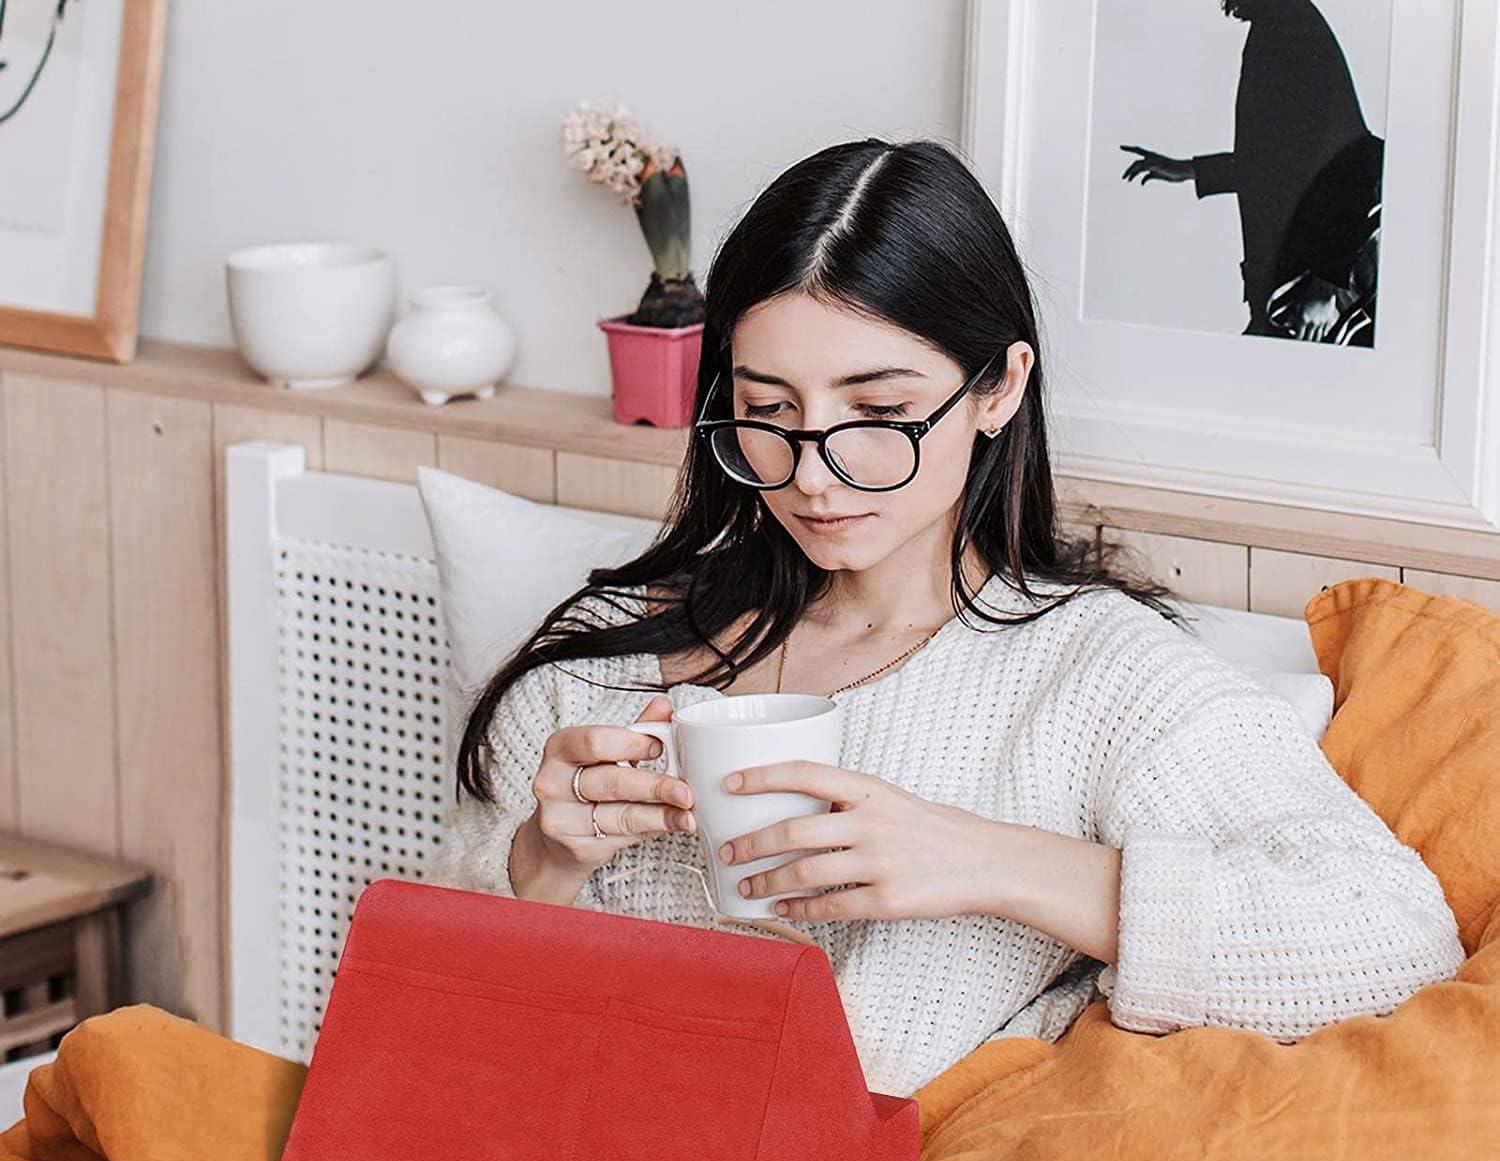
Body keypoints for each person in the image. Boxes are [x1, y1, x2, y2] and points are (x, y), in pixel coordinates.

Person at [425, 137, 1462, 1098]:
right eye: (770, 413)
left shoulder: (1093, 677)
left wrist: (986, 861)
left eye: (878, 416)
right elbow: (434, 1013)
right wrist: (541, 867)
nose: (815, 475)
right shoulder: (603, 663)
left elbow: (1394, 936)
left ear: (998, 389)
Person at [1120, 0, 1383, 341]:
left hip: (1318, 291)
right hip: (1296, 282)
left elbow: (1352, 159)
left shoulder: (1291, 24)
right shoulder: (1276, 23)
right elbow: (1280, 161)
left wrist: (1324, 286)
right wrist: (1190, 170)